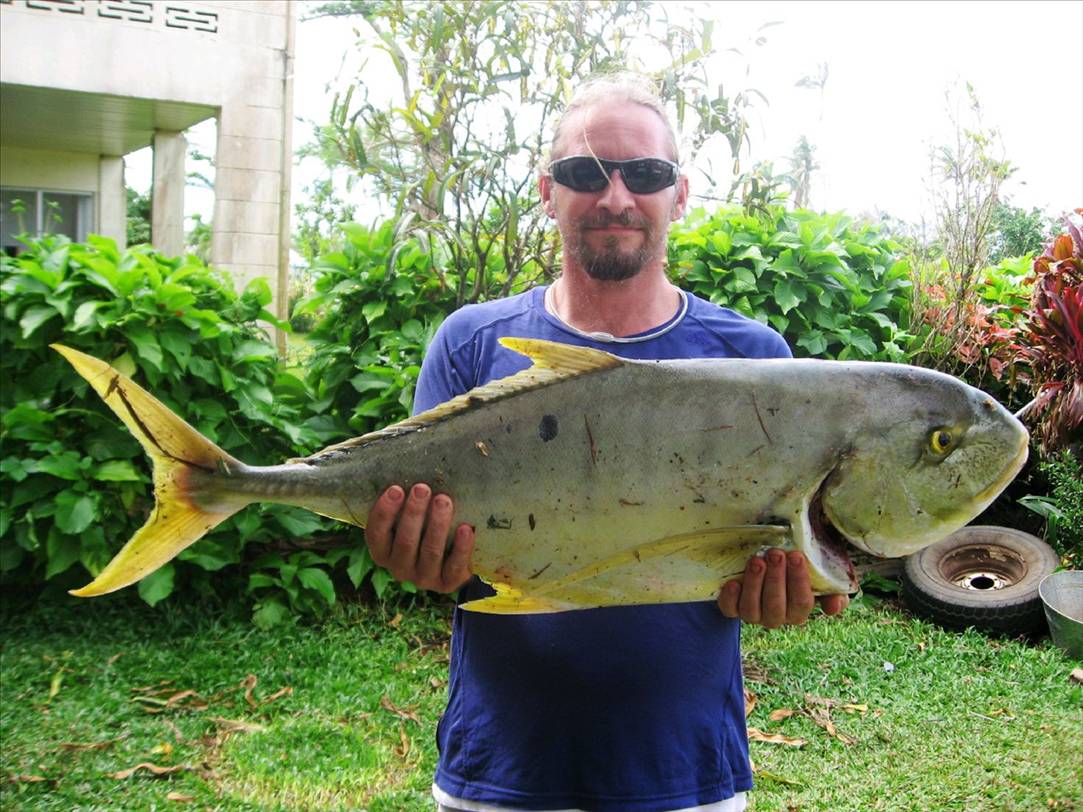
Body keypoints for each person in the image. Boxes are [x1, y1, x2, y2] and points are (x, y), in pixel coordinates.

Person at [364, 72, 849, 812]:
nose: (615, 197)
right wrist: (421, 559)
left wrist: (785, 588)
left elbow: (762, 550)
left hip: (684, 776)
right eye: (585, 173)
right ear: (547, 191)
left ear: (678, 195)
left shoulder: (753, 361)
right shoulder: (470, 342)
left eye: (645, 174)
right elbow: (439, 551)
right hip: (498, 770)